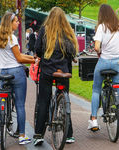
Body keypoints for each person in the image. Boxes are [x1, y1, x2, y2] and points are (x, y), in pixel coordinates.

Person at [33, 7, 78, 146]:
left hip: (47, 71)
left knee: (44, 101)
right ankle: (69, 134)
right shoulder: (68, 31)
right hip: (63, 71)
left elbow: (38, 50)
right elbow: (72, 52)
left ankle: (39, 134)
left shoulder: (44, 30)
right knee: (64, 96)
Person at [88, 4, 119, 137]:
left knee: (96, 89)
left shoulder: (102, 27)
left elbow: (96, 47)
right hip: (118, 63)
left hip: (104, 62)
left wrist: (101, 50)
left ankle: (94, 120)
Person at [0, 12, 35, 146]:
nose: (18, 23)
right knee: (20, 105)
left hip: (3, 72)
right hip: (16, 72)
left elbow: (17, 55)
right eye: (16, 21)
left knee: (0, 104)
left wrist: (32, 59)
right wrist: (34, 60)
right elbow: (19, 58)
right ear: (9, 23)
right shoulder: (12, 38)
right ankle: (22, 135)